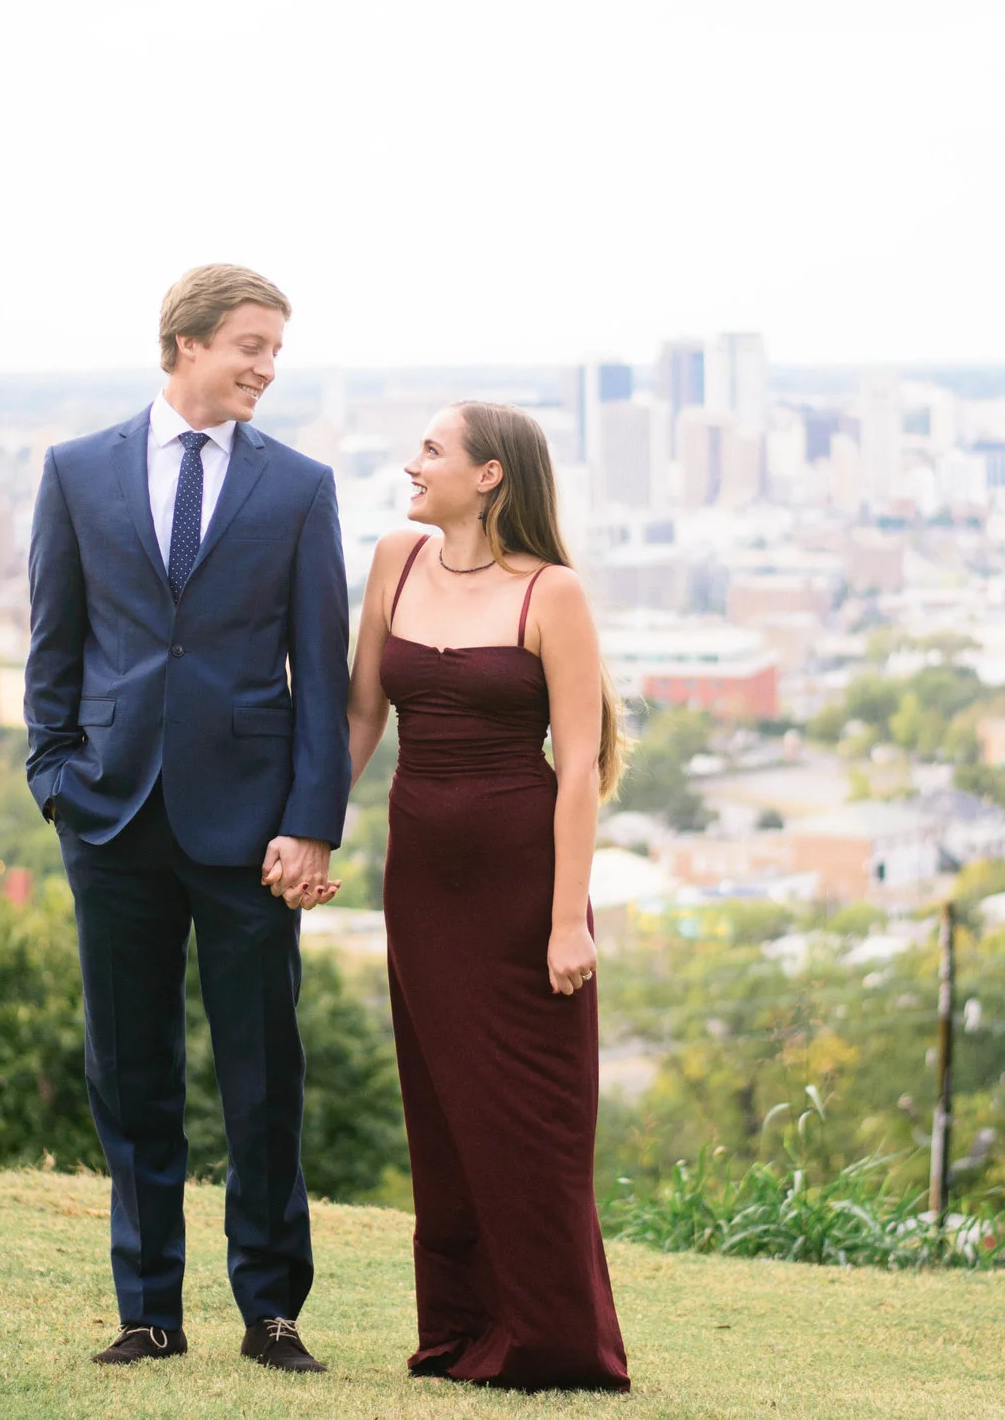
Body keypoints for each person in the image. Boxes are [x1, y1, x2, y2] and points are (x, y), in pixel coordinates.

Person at [23, 263, 351, 1373]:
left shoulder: (299, 487)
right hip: (110, 818)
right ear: (187, 343)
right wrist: (55, 781)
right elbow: (53, 644)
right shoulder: (76, 471)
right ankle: (148, 1310)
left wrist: (310, 822)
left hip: (252, 830)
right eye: (253, 346)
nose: (267, 368)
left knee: (263, 1076)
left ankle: (272, 1311)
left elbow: (322, 672)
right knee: (131, 1075)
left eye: (275, 351)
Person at [346, 401, 633, 1392]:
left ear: (489, 475)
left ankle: (552, 1342)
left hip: (523, 892)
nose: (412, 464)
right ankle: (460, 1333)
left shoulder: (553, 593)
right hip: (421, 884)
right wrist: (311, 826)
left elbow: (580, 761)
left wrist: (565, 920)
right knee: (443, 1110)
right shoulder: (395, 560)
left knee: (530, 1118)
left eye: (431, 449)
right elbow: (361, 713)